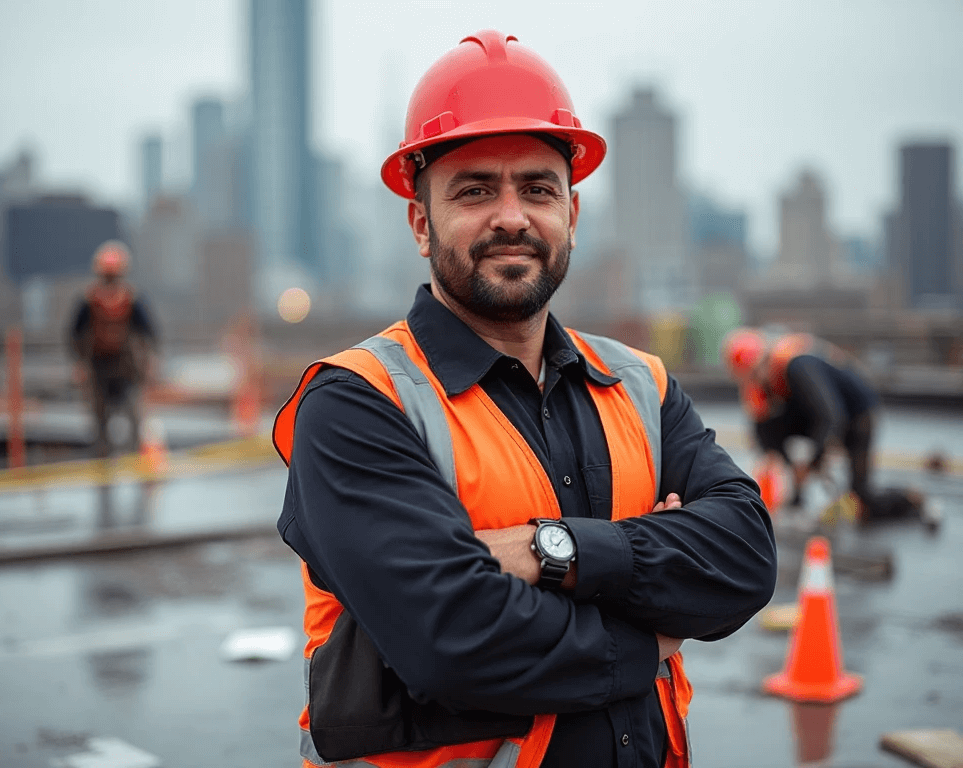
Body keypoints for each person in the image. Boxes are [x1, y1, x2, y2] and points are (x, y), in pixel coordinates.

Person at [274, 31, 777, 768]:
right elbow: (452, 639)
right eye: (475, 188)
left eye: (538, 189)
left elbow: (744, 556)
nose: (512, 216)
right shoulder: (356, 403)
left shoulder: (641, 383)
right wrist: (654, 626)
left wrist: (548, 552)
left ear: (571, 214)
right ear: (421, 223)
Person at [722, 327, 926, 524]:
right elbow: (765, 429)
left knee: (861, 500)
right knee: (770, 428)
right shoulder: (764, 383)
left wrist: (814, 459)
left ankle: (910, 499)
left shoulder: (799, 367)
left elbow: (830, 417)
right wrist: (776, 461)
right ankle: (796, 499)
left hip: (857, 416)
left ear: (763, 361)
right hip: (818, 413)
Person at [69, 240, 157, 458]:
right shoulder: (89, 300)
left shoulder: (131, 298)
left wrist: (150, 360)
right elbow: (75, 334)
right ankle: (103, 465)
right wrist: (79, 364)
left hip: (125, 367)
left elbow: (148, 332)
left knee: (134, 420)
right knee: (100, 426)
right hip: (99, 367)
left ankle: (134, 462)